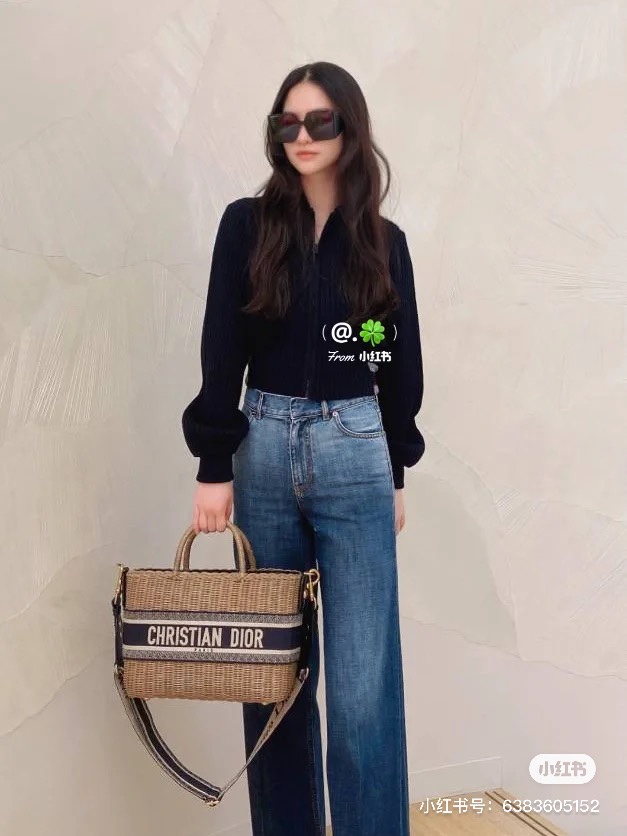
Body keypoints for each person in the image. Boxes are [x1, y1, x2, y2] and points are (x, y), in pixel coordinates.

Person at [182, 60, 425, 836]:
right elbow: (222, 347)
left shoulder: (382, 243)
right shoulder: (245, 226)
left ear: (349, 128)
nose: (303, 135)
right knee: (274, 679)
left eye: (320, 120)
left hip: (355, 447)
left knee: (360, 690)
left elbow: (390, 360)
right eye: (287, 122)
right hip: (260, 447)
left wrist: (393, 468)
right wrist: (213, 463)